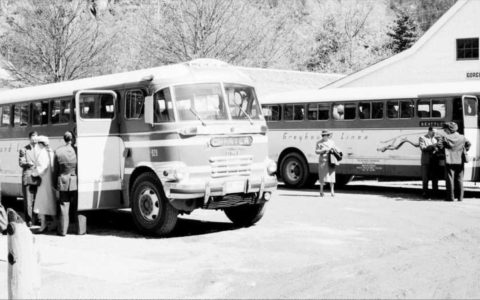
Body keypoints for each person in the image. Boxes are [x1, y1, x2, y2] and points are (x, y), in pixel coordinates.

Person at [54, 131, 80, 236]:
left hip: (63, 180)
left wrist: (54, 183)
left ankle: (63, 231)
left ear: (64, 139)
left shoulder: (58, 151)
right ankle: (81, 230)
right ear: (72, 139)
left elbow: (55, 170)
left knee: (64, 206)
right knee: (79, 205)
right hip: (76, 180)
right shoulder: (78, 150)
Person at [438, 122, 471, 202]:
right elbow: (469, 144)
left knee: (450, 179)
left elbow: (440, 146)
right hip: (460, 160)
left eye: (445, 129)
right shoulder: (462, 137)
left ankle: (450, 197)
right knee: (459, 179)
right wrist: (463, 150)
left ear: (449, 129)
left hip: (449, 160)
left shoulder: (445, 137)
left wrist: (444, 150)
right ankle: (460, 198)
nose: (445, 131)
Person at [32, 135, 57, 232]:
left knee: (41, 203)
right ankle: (55, 222)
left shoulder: (42, 152)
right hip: (51, 181)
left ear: (41, 144)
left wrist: (34, 173)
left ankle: (43, 224)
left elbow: (42, 167)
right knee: (51, 203)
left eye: (38, 143)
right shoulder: (51, 151)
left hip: (43, 181)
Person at [18, 131, 39, 227]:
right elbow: (21, 163)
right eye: (33, 137)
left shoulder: (40, 149)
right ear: (30, 138)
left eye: (36, 137)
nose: (35, 139)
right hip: (28, 176)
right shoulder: (24, 150)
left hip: (38, 177)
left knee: (37, 200)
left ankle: (37, 218)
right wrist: (28, 163)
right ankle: (29, 220)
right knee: (28, 201)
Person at [315, 130, 341, 197]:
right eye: (323, 135)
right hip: (323, 161)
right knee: (322, 177)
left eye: (326, 135)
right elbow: (316, 151)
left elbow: (336, 148)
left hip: (331, 161)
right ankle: (321, 191)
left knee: (332, 176)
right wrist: (322, 151)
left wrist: (338, 151)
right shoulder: (319, 143)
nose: (324, 136)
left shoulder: (332, 142)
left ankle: (332, 191)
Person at [418, 127, 439, 198]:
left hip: (434, 161)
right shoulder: (422, 138)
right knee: (425, 178)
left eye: (436, 132)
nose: (435, 133)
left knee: (435, 178)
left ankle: (435, 193)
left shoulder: (435, 139)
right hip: (426, 161)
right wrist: (433, 146)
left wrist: (437, 149)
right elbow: (423, 148)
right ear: (429, 131)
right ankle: (425, 193)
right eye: (434, 132)